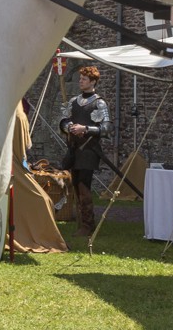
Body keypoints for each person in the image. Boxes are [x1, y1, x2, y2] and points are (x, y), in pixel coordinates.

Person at [60, 66, 112, 236]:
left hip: (89, 150)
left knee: (84, 187)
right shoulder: (74, 101)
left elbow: (105, 128)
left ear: (93, 82)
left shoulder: (99, 103)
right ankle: (81, 223)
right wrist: (69, 126)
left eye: (83, 79)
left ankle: (88, 226)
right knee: (76, 185)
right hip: (74, 148)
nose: (80, 81)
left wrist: (85, 128)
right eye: (80, 78)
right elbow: (63, 120)